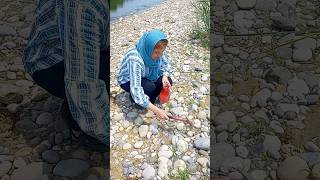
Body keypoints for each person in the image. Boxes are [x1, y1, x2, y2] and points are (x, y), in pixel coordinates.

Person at [22, 0, 109, 151]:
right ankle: (75, 119)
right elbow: (83, 85)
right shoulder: (82, 6)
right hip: (50, 60)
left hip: (86, 42)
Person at [118, 29, 173, 120]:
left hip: (145, 75)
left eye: (161, 52)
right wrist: (157, 110)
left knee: (167, 81)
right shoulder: (135, 59)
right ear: (149, 48)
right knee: (149, 89)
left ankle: (149, 95)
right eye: (156, 52)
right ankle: (133, 98)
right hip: (127, 80)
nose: (159, 55)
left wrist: (165, 76)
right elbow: (136, 87)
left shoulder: (157, 52)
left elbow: (165, 65)